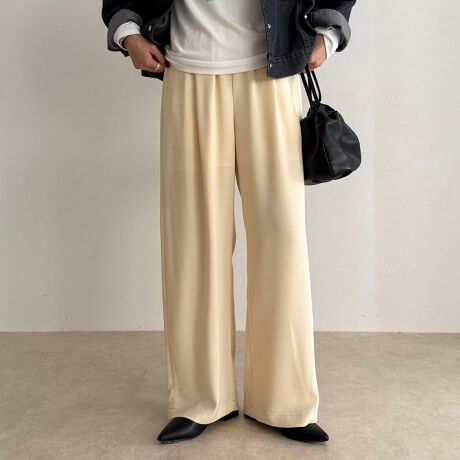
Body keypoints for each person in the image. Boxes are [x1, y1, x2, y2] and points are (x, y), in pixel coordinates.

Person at [101, 0, 356, 445]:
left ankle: (285, 401)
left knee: (282, 240)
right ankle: (199, 399)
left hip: (273, 74)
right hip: (188, 72)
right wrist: (129, 35)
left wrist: (329, 34)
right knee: (193, 242)